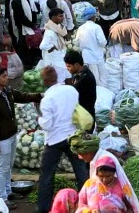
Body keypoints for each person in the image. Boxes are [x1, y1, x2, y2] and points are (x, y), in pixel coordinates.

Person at [0, 68, 42, 209]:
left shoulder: (7, 91)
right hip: (1, 138)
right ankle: (2, 198)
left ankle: (8, 192)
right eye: (4, 76)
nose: (7, 77)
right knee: (3, 168)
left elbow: (22, 96)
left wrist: (39, 95)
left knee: (9, 166)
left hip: (11, 134)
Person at [36, 66, 89, 213]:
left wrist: (38, 119)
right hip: (73, 136)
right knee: (81, 171)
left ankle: (43, 208)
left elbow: (47, 125)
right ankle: (86, 202)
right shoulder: (71, 90)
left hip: (55, 140)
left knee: (47, 175)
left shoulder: (47, 99)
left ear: (45, 81)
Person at [74, 8, 107, 86]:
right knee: (102, 77)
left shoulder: (81, 28)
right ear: (93, 17)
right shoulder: (96, 27)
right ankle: (104, 93)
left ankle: (97, 95)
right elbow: (102, 42)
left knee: (93, 79)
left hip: (87, 58)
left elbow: (77, 43)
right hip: (97, 56)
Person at [10, 0, 38, 67]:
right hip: (22, 27)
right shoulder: (17, 1)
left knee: (31, 46)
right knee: (23, 47)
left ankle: (31, 62)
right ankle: (24, 64)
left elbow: (33, 10)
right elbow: (20, 17)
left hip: (29, 25)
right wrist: (31, 24)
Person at [64, 50, 97, 121]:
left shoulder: (86, 78)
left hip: (85, 118)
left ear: (76, 65)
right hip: (80, 115)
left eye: (69, 66)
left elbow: (71, 91)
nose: (67, 69)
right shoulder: (77, 74)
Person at [39, 8, 70, 83]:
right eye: (60, 16)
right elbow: (42, 46)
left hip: (59, 56)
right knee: (59, 79)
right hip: (54, 59)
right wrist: (53, 47)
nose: (62, 18)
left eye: (62, 16)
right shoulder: (50, 31)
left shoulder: (58, 27)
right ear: (53, 17)